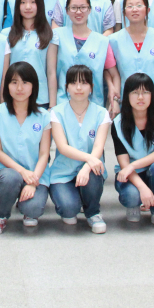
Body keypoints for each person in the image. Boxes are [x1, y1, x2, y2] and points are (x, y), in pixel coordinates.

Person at [0, 62, 52, 235]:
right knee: (11, 178)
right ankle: (0, 217)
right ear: (7, 86)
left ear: (33, 86)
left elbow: (44, 153)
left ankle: (24, 203)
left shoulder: (44, 116)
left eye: (25, 82)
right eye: (14, 82)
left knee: (33, 209)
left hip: (36, 174)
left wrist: (33, 181)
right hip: (6, 173)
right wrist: (23, 172)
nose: (19, 88)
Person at [49, 65, 111, 234]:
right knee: (69, 211)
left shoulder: (101, 113)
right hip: (63, 172)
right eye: (73, 83)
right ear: (66, 87)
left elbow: (98, 147)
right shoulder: (56, 112)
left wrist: (86, 167)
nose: (78, 87)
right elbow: (62, 147)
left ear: (91, 87)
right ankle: (73, 202)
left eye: (83, 83)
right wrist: (89, 159)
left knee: (93, 173)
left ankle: (93, 212)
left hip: (90, 170)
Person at [111, 73, 154, 230]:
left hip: (153, 169)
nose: (140, 97)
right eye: (135, 92)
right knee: (132, 196)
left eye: (145, 92)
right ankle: (134, 204)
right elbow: (124, 164)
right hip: (131, 174)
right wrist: (142, 187)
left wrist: (133, 165)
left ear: (152, 94)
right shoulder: (117, 123)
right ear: (127, 95)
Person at [47, 0, 119, 110]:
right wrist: (52, 106)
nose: (78, 12)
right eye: (74, 8)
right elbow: (51, 72)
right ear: (67, 11)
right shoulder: (56, 36)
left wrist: (114, 100)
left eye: (83, 7)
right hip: (63, 103)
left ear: (90, 10)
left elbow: (114, 74)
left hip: (94, 105)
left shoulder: (102, 41)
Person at [109, 0, 154, 109]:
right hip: (127, 102)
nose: (134, 9)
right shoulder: (113, 40)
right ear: (124, 13)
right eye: (130, 6)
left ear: (148, 10)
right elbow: (111, 73)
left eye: (139, 5)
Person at [7, 0, 53, 108]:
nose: (28, 7)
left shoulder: (50, 35)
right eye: (23, 2)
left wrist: (52, 105)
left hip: (40, 99)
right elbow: (4, 70)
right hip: (13, 98)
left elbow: (51, 72)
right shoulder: (6, 34)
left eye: (33, 2)